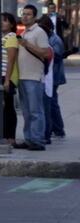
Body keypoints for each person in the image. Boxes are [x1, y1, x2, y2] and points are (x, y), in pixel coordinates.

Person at [15, 4, 51, 151]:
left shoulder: (39, 32)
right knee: (26, 112)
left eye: (28, 14)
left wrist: (27, 45)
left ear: (35, 17)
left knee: (36, 111)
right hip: (22, 77)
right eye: (23, 14)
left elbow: (46, 53)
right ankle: (29, 138)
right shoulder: (24, 33)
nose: (25, 16)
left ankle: (38, 140)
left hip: (34, 77)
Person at [40, 14, 67, 142]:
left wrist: (45, 51)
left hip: (54, 76)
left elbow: (57, 56)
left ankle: (58, 129)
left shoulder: (55, 39)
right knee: (49, 103)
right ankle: (55, 128)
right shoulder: (46, 38)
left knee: (52, 103)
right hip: (47, 75)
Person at [0, 12, 20, 147]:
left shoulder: (11, 37)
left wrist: (7, 80)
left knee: (8, 107)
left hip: (7, 76)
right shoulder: (2, 37)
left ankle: (10, 137)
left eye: (5, 21)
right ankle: (4, 135)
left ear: (12, 24)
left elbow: (11, 60)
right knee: (3, 107)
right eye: (1, 21)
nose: (2, 23)